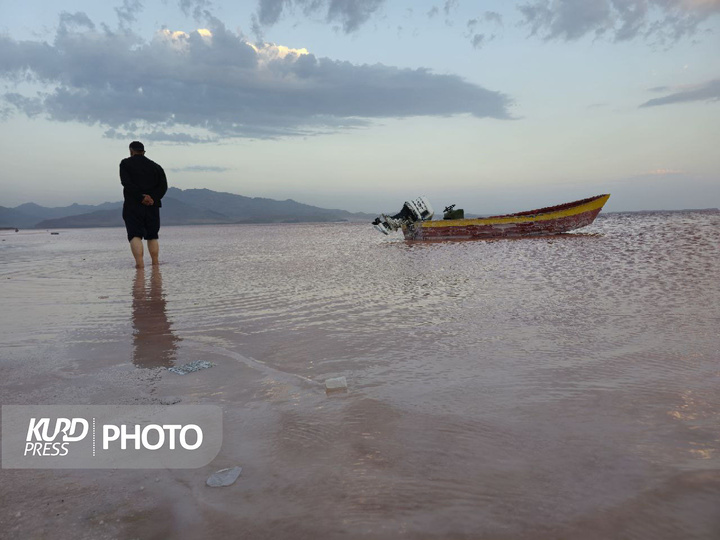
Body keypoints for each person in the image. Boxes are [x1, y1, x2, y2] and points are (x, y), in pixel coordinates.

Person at [119, 141, 168, 268]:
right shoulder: (156, 167)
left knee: (135, 235)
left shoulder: (125, 163)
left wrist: (141, 197)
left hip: (133, 205)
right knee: (152, 235)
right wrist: (152, 198)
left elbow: (126, 183)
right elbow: (163, 187)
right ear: (144, 151)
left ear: (131, 151)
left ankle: (140, 265)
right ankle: (155, 264)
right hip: (152, 206)